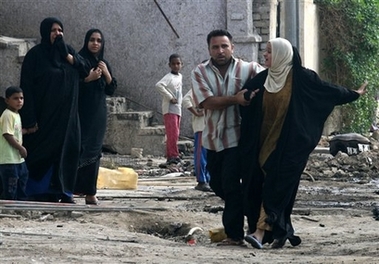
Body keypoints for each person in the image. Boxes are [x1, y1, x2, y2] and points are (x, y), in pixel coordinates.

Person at [239, 37, 367, 249]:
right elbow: (244, 101)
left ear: (282, 54)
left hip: (290, 146)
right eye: (266, 51)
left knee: (275, 184)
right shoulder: (261, 80)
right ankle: (281, 231)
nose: (265, 55)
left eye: (269, 51)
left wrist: (353, 94)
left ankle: (259, 233)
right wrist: (246, 97)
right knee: (260, 185)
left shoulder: (302, 78)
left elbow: (327, 91)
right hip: (262, 144)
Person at [191, 29, 265, 246]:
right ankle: (251, 211)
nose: (220, 51)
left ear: (233, 47)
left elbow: (267, 83)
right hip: (213, 139)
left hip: (238, 139)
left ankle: (235, 235)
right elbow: (206, 102)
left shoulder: (249, 69)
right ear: (209, 50)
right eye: (215, 47)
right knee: (217, 184)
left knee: (231, 184)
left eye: (224, 46)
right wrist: (236, 99)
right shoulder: (200, 72)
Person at [19, 17, 88, 203]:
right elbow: (26, 87)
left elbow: (85, 70)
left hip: (68, 119)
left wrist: (67, 56)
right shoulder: (35, 55)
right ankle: (39, 191)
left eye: (60, 30)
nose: (58, 34)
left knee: (68, 152)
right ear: (45, 32)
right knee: (42, 152)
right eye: (53, 30)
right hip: (45, 117)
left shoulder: (69, 52)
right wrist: (30, 119)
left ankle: (64, 191)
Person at [74, 29, 117, 205]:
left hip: (98, 114)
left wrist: (106, 74)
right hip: (81, 113)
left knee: (94, 152)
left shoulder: (102, 63)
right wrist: (88, 79)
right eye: (92, 40)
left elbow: (111, 89)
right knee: (78, 149)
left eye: (99, 40)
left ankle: (90, 192)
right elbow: (70, 86)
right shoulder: (79, 61)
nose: (95, 43)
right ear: (86, 41)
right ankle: (70, 189)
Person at [0, 86, 28, 200]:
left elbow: (15, 131)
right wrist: (21, 148)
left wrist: (27, 131)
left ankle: (19, 204)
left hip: (17, 159)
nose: (19, 101)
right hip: (8, 159)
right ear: (7, 100)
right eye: (15, 98)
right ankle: (9, 206)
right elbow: (7, 134)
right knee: (11, 184)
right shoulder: (7, 115)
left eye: (21, 98)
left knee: (23, 178)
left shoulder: (16, 114)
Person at [155, 54, 183, 165]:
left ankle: (173, 154)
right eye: (173, 64)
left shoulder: (179, 76)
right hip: (169, 109)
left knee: (175, 133)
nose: (176, 66)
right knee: (172, 133)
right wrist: (170, 97)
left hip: (177, 108)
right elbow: (159, 85)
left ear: (181, 64)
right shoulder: (168, 77)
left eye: (178, 63)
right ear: (169, 65)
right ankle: (172, 155)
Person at [182, 89, 211, 192]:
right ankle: (202, 180)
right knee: (201, 155)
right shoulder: (197, 89)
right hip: (201, 127)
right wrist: (196, 112)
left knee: (208, 155)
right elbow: (185, 100)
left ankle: (207, 179)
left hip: (210, 127)